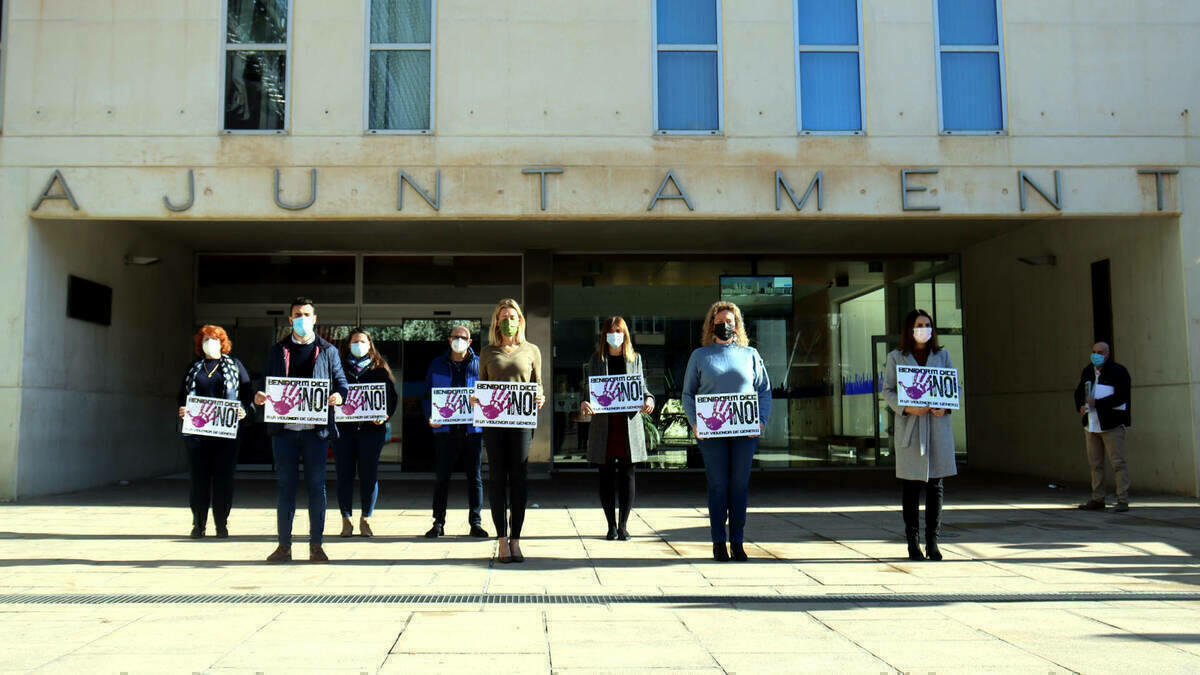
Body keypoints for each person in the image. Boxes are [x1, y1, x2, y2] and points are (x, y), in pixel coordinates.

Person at [253, 297, 349, 564]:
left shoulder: (328, 351)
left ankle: (316, 546)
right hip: (284, 431)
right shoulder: (277, 350)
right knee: (285, 487)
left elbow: (341, 383)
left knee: (317, 487)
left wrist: (339, 396)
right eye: (297, 314)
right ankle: (284, 546)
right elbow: (264, 382)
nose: (302, 319)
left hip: (315, 432)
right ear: (290, 319)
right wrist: (259, 395)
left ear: (315, 319)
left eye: (307, 314)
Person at [682, 301, 772, 562]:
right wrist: (695, 422)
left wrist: (762, 421)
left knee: (739, 486)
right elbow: (688, 394)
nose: (725, 326)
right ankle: (718, 541)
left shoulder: (750, 355)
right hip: (712, 433)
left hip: (744, 432)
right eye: (720, 322)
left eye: (729, 322)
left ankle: (738, 541)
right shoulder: (700, 356)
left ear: (737, 325)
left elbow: (764, 390)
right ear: (712, 325)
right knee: (719, 486)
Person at [882, 309, 957, 562]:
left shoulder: (942, 355)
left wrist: (944, 406)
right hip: (911, 428)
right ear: (910, 329)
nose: (924, 328)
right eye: (919, 324)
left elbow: (953, 388)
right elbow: (888, 390)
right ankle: (912, 542)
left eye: (927, 324)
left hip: (937, 427)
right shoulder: (896, 357)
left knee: (936, 485)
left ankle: (933, 541)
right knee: (911, 486)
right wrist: (906, 408)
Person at [474, 298, 545, 563]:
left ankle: (516, 539)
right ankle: (501, 540)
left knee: (519, 480)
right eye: (503, 316)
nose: (508, 321)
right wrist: (476, 399)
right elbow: (482, 385)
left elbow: (539, 385)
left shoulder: (532, 351)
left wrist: (540, 398)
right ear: (496, 322)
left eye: (512, 316)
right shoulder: (487, 352)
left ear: (520, 321)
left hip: (521, 425)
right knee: (496, 478)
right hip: (494, 426)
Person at [579, 316, 655, 540]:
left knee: (627, 474)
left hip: (628, 424)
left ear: (625, 334)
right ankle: (610, 525)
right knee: (605, 475)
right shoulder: (596, 359)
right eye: (611, 331)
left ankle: (623, 525)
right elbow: (588, 389)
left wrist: (649, 399)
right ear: (604, 335)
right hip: (605, 425)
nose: (615, 335)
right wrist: (585, 402)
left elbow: (644, 388)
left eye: (618, 331)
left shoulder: (635, 359)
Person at [176, 325, 253, 539]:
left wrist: (243, 410)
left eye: (214, 339)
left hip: (226, 435)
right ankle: (198, 524)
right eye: (205, 339)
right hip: (198, 434)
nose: (209, 343)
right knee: (199, 480)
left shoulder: (234, 366)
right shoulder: (194, 368)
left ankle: (221, 524)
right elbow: (182, 395)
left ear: (223, 343)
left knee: (223, 480)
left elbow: (247, 393)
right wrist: (183, 409)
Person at [424, 324, 488, 539]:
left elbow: (489, 394)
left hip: (473, 431)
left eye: (463, 337)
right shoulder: (436, 364)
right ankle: (438, 522)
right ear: (449, 340)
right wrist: (429, 416)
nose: (459, 340)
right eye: (455, 337)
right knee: (442, 477)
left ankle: (476, 523)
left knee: (475, 477)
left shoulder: (480, 365)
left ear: (470, 342)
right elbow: (427, 396)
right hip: (445, 431)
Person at [335, 328, 398, 538]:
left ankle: (366, 518)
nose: (359, 345)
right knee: (344, 474)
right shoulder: (339, 368)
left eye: (362, 341)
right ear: (348, 344)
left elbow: (391, 398)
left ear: (370, 344)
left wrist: (385, 414)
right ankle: (346, 519)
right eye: (355, 341)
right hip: (343, 431)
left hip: (372, 432)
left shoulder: (380, 369)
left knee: (369, 474)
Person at [1073, 341, 1132, 513]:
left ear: (1107, 354)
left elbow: (1121, 397)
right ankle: (1097, 498)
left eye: (1100, 352)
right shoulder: (1088, 371)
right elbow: (1078, 392)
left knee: (1118, 463)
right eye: (1094, 351)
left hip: (1111, 424)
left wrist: (1097, 403)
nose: (1096, 355)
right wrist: (1081, 406)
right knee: (1095, 464)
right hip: (1091, 424)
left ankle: (1122, 500)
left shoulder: (1119, 371)